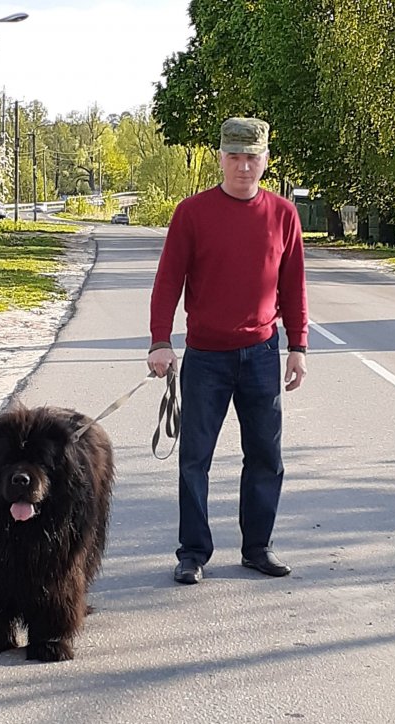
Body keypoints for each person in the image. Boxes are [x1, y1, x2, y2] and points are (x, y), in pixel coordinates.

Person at [147, 117, 308, 584]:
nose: (242, 166)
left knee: (265, 456)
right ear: (220, 157)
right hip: (206, 358)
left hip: (261, 354)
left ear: (265, 160)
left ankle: (258, 546)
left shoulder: (283, 215)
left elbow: (294, 287)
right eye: (234, 156)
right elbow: (167, 282)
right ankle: (193, 553)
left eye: (251, 157)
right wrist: (160, 341)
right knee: (194, 457)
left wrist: (297, 346)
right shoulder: (192, 213)